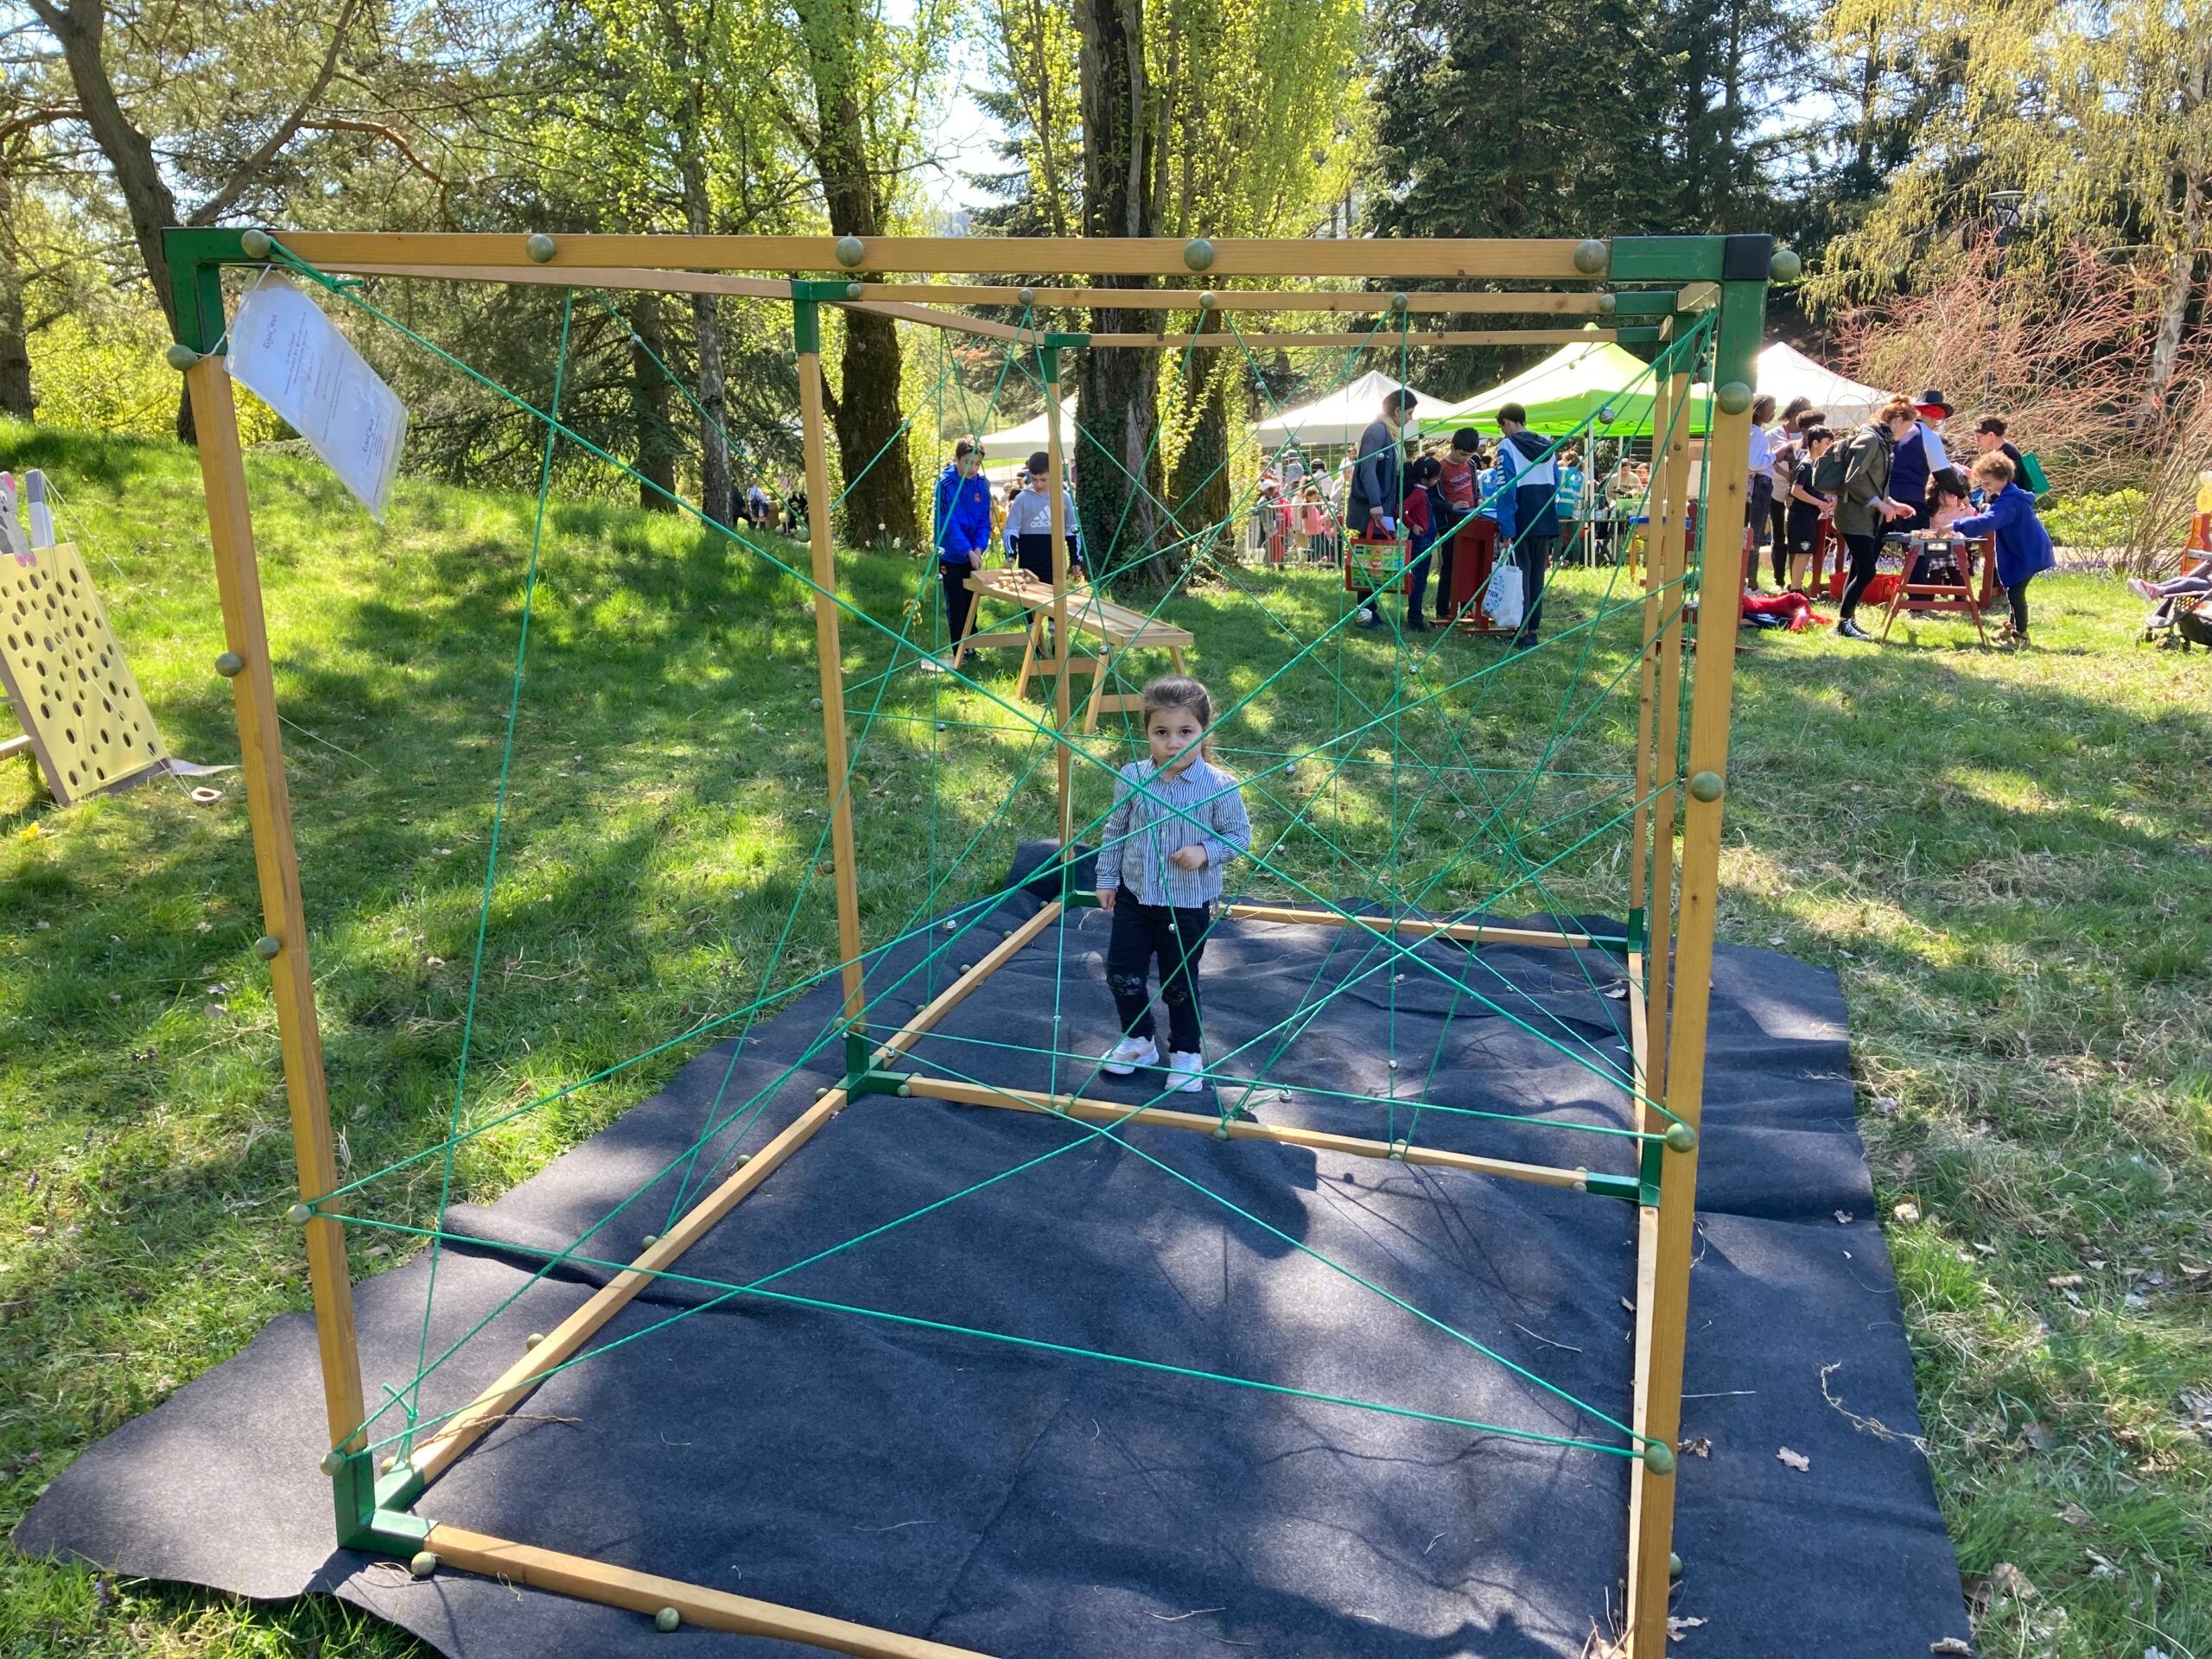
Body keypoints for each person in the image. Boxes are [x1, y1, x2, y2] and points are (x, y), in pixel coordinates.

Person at [1095, 675, 1253, 1094]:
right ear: (1147, 732)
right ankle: (1138, 1041)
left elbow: (1239, 836)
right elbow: (1115, 831)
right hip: (1134, 897)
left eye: (1186, 732)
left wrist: (1205, 851)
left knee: (1178, 982)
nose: (1173, 743)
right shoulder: (1132, 776)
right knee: (1121, 974)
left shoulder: (1219, 785)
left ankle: (1186, 1052)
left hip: (1186, 904)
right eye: (1161, 732)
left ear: (1204, 731)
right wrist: (1107, 878)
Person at [1834, 396, 1921, 640]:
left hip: (1867, 516)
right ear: (1898, 420)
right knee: (1867, 571)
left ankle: (1847, 620)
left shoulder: (1883, 442)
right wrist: (1880, 504)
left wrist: (1892, 504)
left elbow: (1874, 483)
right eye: (1907, 427)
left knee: (1858, 569)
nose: (1907, 433)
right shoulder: (1870, 439)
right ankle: (1842, 623)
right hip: (1853, 515)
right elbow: (1854, 479)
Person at [1953, 451, 2054, 647]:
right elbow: (1991, 513)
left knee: (2016, 593)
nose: (1985, 487)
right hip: (2025, 550)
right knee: (2013, 590)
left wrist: (1956, 525)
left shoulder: (2010, 501)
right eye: (1983, 483)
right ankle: (2011, 629)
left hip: (2028, 552)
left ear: (2003, 478)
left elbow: (1989, 521)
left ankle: (2022, 636)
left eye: (1988, 483)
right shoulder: (2007, 496)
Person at [1491, 401, 1560, 650]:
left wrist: (1506, 528)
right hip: (1545, 515)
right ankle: (1533, 630)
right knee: (1536, 577)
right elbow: (1557, 481)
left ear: (1506, 423)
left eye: (1502, 427)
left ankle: (1521, 632)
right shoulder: (1549, 445)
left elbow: (1506, 489)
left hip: (1521, 516)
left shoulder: (1507, 447)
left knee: (1520, 576)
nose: (1503, 432)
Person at [931, 437, 995, 648]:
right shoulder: (945, 484)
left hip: (972, 554)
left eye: (977, 463)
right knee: (956, 602)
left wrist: (978, 548)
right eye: (968, 462)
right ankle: (958, 647)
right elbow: (948, 523)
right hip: (950, 554)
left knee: (971, 601)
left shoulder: (982, 484)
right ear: (957, 459)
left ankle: (970, 645)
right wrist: (967, 551)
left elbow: (984, 521)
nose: (973, 468)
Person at [1886, 389, 1960, 531]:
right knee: (1917, 543)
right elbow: (1942, 473)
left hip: (1886, 501)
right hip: (1912, 502)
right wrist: (1962, 495)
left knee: (1878, 543)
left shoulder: (1894, 431)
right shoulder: (1929, 436)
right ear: (1933, 417)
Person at [1002, 449, 1081, 580]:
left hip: (1056, 564)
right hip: (1028, 565)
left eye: (1043, 479)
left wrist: (1075, 559)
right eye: (1034, 479)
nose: (1039, 484)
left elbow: (1072, 529)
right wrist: (1011, 554)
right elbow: (1011, 528)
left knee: (1055, 592)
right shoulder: (1022, 499)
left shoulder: (1063, 497)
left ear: (1052, 474)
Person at [1784, 426, 1835, 591]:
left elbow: (1813, 489)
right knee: (1802, 553)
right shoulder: (1805, 465)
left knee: (1806, 553)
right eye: (1827, 443)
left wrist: (1828, 498)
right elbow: (1796, 490)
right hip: (1802, 516)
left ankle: (1797, 588)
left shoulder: (1817, 465)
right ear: (1815, 443)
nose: (1829, 447)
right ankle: (1795, 589)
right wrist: (1819, 503)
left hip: (1811, 516)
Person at [1401, 453, 1440, 631]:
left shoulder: (1422, 492)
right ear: (1426, 479)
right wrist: (1412, 525)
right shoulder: (1418, 493)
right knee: (1419, 581)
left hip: (1425, 538)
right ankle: (1415, 618)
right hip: (1421, 540)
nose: (1437, 480)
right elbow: (1400, 509)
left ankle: (1415, 616)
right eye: (1436, 477)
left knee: (1420, 579)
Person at [1745, 393, 1779, 588]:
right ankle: (1751, 581)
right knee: (1755, 534)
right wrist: (1775, 456)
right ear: (1758, 411)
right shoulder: (1757, 433)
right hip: (1760, 484)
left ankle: (1747, 578)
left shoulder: (1749, 431)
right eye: (1770, 410)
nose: (1773, 414)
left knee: (1750, 533)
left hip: (1753, 486)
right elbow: (1755, 463)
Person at [1973, 417, 2030, 490]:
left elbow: (2002, 482)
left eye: (1978, 437)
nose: (1977, 441)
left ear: (1991, 435)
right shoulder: (2003, 449)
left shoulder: (2008, 453)